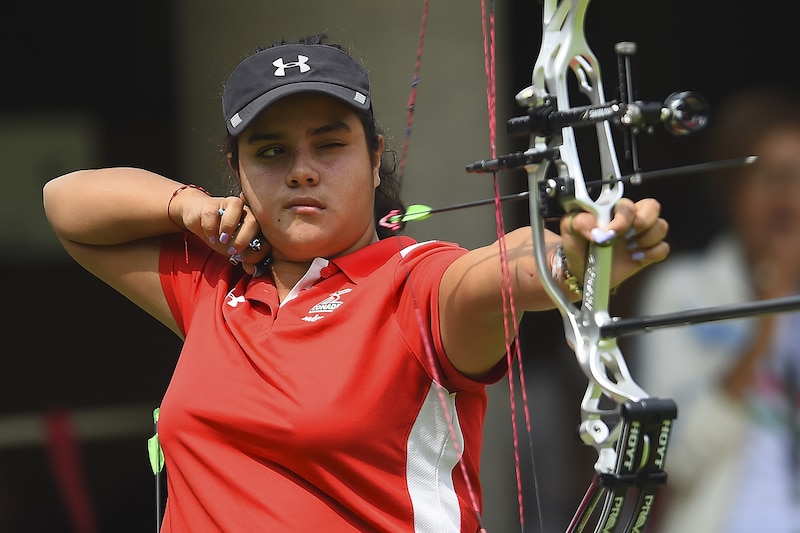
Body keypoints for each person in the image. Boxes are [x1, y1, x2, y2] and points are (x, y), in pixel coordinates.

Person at [42, 34, 669, 532]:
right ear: (238, 171)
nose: (302, 172)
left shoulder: (413, 284)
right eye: (271, 152)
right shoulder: (215, 287)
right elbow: (66, 206)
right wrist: (187, 208)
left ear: (375, 159)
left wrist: (579, 261)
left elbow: (501, 271)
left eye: (330, 145)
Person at [633, 85, 800, 533]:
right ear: (732, 192)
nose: (789, 199)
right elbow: (673, 458)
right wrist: (771, 311)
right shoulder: (682, 291)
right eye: (774, 178)